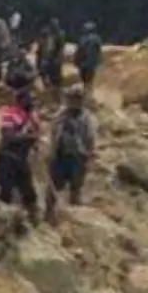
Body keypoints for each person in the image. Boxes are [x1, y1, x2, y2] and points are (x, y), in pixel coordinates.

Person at [46, 88, 96, 223]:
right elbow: (53, 132)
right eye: (70, 99)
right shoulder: (60, 115)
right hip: (60, 155)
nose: (72, 102)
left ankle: (74, 216)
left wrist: (90, 154)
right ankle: (48, 215)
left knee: (76, 185)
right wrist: (52, 152)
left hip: (78, 156)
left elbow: (90, 137)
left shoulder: (86, 117)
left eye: (76, 99)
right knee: (53, 187)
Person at [0, 88, 41, 215]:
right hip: (7, 156)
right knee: (6, 191)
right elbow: (8, 136)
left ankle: (32, 220)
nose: (31, 104)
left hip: (21, 158)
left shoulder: (32, 117)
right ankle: (2, 220)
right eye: (28, 101)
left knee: (29, 192)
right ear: (20, 101)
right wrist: (29, 137)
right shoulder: (10, 114)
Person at [36, 19, 66, 91]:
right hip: (47, 57)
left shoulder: (59, 34)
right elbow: (42, 47)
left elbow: (60, 47)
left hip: (53, 57)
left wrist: (59, 57)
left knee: (55, 76)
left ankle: (55, 90)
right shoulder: (47, 33)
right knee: (45, 73)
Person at [74, 22, 104, 91]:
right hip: (93, 64)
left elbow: (80, 51)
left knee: (85, 80)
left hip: (84, 63)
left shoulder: (84, 39)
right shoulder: (97, 39)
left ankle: (86, 95)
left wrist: (76, 61)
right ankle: (88, 94)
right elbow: (99, 52)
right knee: (89, 80)